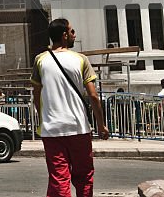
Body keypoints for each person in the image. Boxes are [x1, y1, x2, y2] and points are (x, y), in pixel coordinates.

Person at [31, 18, 109, 197]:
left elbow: (36, 94)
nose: (75, 35)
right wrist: (101, 125)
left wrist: (44, 117)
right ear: (64, 35)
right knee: (84, 176)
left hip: (52, 130)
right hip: (78, 128)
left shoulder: (40, 60)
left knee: (59, 178)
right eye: (72, 31)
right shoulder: (80, 60)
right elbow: (93, 96)